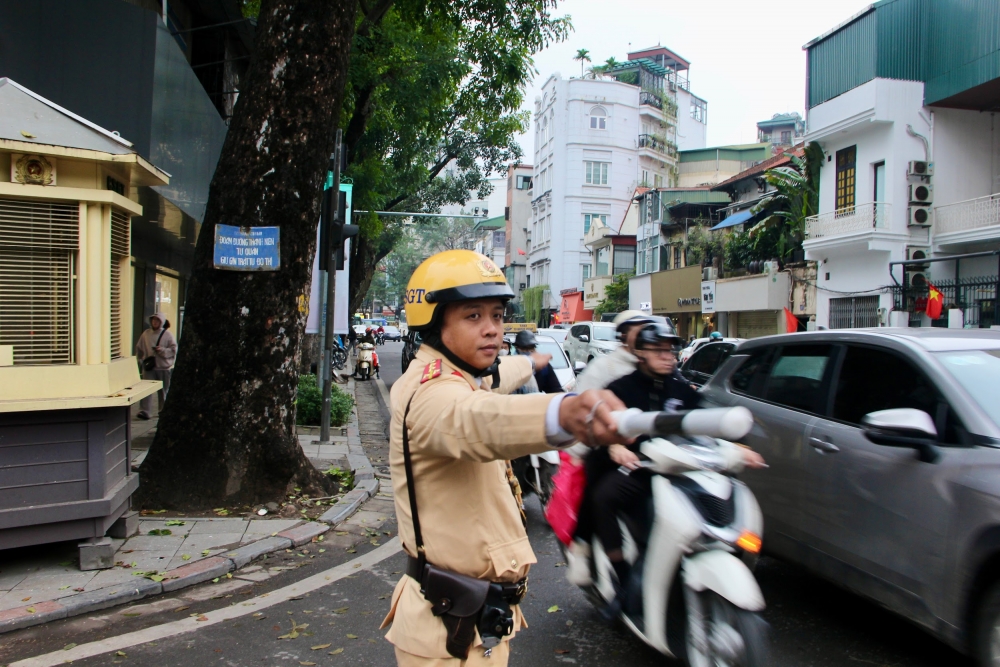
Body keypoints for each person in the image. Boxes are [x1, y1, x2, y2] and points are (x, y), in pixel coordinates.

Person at [381, 249, 629, 667]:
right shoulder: (429, 394)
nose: (492, 329)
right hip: (447, 639)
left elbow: (498, 375)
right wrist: (563, 411)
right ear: (434, 322)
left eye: (497, 316)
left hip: (481, 623)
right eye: (473, 316)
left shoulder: (465, 375)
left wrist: (530, 363)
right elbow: (477, 421)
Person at [584, 322, 764, 616]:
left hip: (682, 471)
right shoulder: (620, 388)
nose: (667, 357)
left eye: (670, 351)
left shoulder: (682, 389)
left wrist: (740, 448)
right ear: (640, 353)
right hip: (640, 470)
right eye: (658, 351)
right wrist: (614, 447)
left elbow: (707, 424)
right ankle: (623, 579)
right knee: (603, 497)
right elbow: (602, 427)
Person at [574, 310, 671, 392]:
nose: (645, 337)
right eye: (639, 332)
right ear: (624, 335)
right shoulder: (602, 367)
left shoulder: (654, 366)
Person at [135, 312, 177, 420]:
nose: (154, 322)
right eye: (153, 320)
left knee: (163, 391)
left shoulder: (168, 335)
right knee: (145, 390)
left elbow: (174, 350)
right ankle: (145, 411)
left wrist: (162, 350)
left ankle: (163, 410)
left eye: (157, 320)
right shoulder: (146, 334)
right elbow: (139, 348)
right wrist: (139, 359)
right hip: (149, 366)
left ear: (161, 322)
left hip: (163, 367)